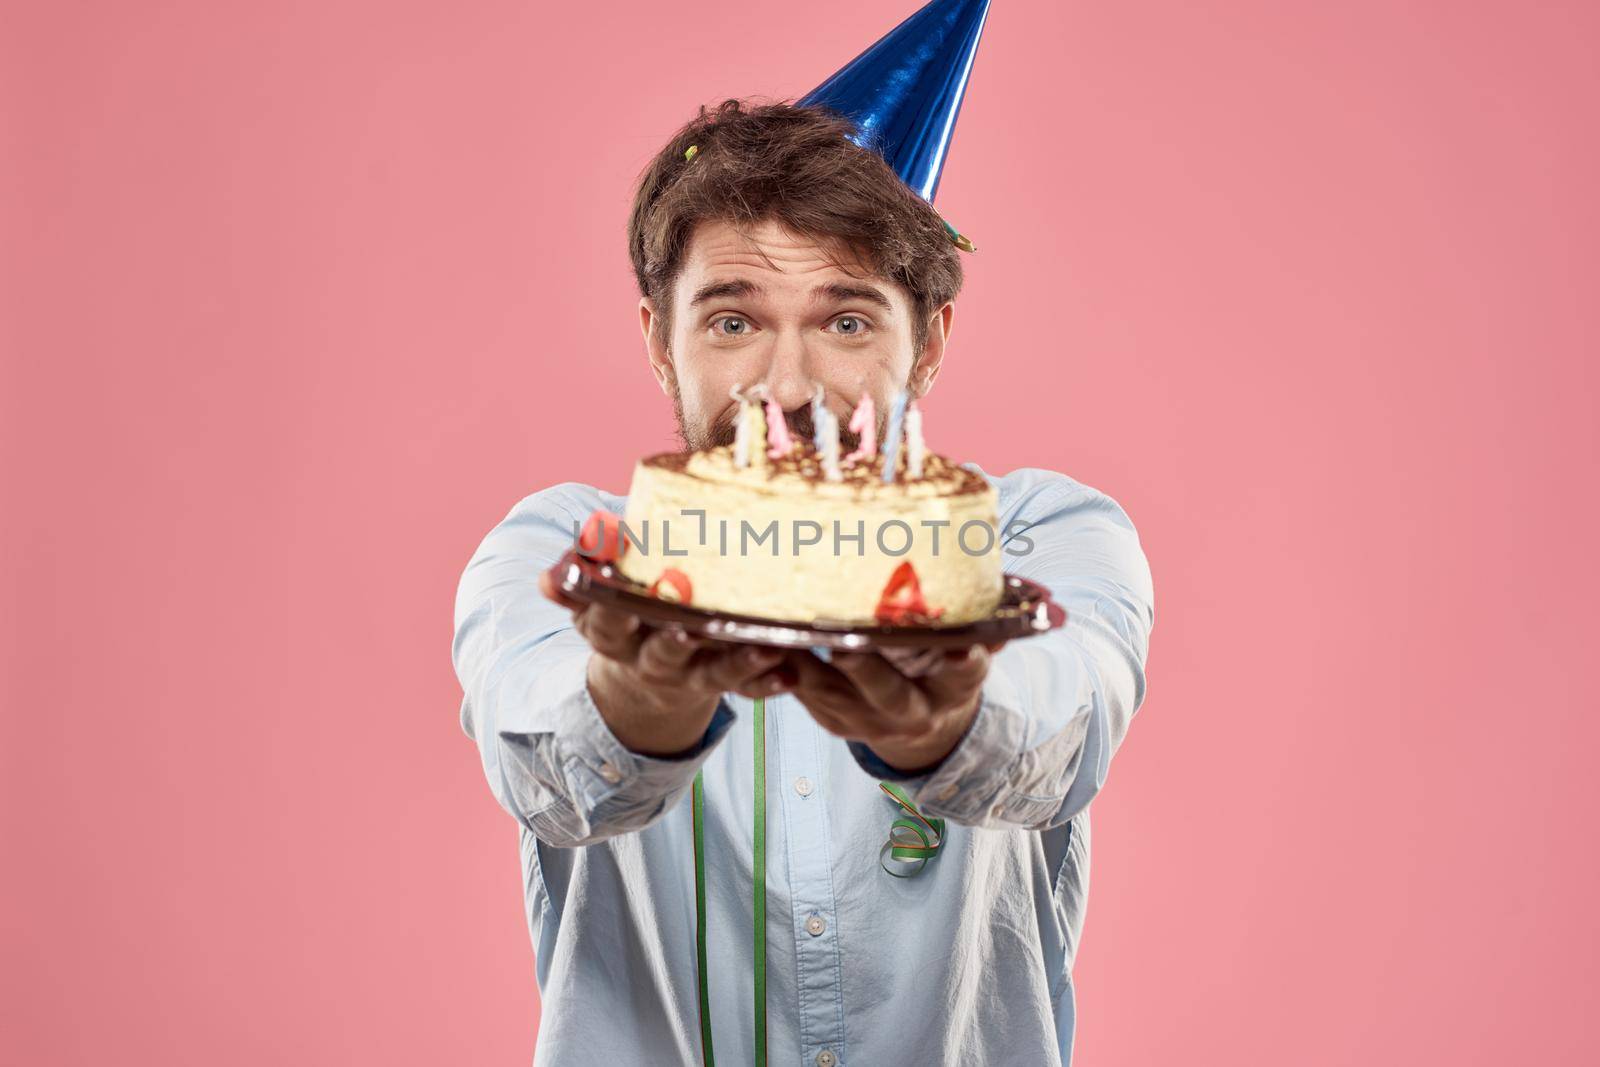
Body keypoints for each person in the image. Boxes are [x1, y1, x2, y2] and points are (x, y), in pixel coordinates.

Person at [453, 96, 1155, 1066]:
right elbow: (543, 763)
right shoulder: (565, 554)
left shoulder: (1037, 540)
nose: (786, 384)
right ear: (660, 339)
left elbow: (1057, 727)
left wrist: (935, 724)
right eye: (733, 318)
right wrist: (641, 697)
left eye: (847, 318)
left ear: (932, 339)